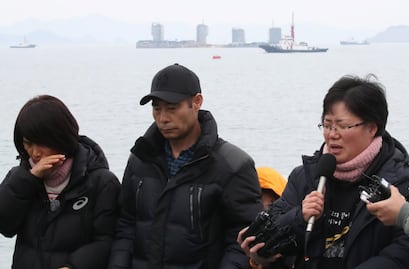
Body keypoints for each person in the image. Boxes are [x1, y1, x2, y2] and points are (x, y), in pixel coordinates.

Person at [238, 74, 409, 269]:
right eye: (327, 125)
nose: (332, 135)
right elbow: (273, 237)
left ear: (372, 128)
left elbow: (404, 253)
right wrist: (298, 218)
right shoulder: (305, 177)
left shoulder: (402, 183)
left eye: (343, 126)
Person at [107, 63, 263, 269]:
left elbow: (243, 239)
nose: (163, 118)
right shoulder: (140, 159)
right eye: (157, 109)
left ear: (197, 102)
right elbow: (126, 226)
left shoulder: (232, 165)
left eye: (172, 108)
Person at [0, 95, 121, 269]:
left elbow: (108, 240)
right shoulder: (19, 178)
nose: (35, 153)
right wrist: (28, 180)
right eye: (28, 143)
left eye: (41, 143)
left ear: (61, 137)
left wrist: (73, 266)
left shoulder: (101, 182)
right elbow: (5, 226)